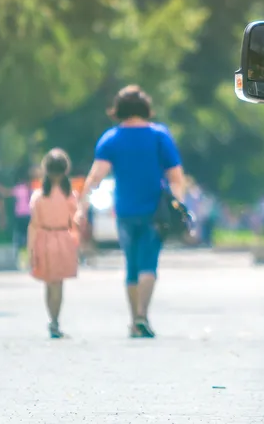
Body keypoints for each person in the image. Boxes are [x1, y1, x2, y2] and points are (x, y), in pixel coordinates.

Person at [79, 85, 185, 339]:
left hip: (125, 211)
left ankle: (134, 320)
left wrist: (82, 206)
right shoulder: (160, 136)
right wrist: (177, 204)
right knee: (149, 263)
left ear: (119, 110)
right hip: (154, 211)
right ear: (145, 108)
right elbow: (176, 177)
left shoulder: (111, 139)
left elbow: (95, 177)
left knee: (132, 264)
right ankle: (142, 315)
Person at [29, 149, 81, 339]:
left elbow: (33, 224)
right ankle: (55, 321)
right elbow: (75, 221)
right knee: (58, 284)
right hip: (63, 238)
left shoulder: (39, 195)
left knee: (48, 283)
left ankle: (52, 319)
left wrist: (30, 249)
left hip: (44, 238)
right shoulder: (70, 195)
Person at [11, 164, 41, 265]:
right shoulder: (34, 188)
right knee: (31, 237)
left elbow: (9, 193)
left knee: (19, 237)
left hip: (20, 215)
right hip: (30, 215)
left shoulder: (19, 188)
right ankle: (31, 258)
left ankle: (18, 259)